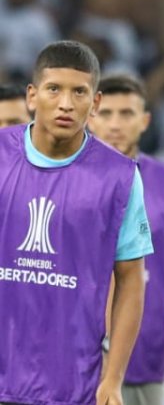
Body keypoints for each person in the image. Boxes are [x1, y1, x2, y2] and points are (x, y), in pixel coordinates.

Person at [0, 40, 152, 405]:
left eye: (79, 92)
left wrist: (113, 380)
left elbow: (131, 279)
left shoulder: (120, 177)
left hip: (72, 386)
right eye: (54, 89)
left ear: (95, 103)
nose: (66, 103)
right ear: (32, 97)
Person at [90, 74, 164, 405]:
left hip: (148, 361)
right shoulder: (66, 178)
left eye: (126, 114)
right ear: (90, 117)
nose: (115, 125)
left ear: (145, 120)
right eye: (106, 113)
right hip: (75, 361)